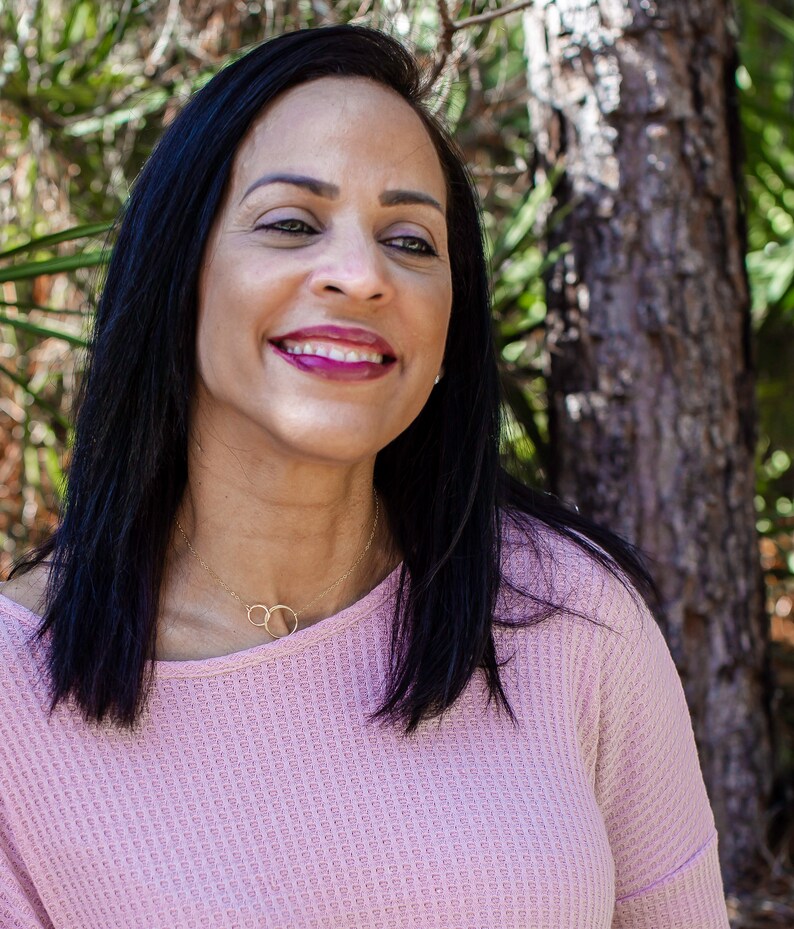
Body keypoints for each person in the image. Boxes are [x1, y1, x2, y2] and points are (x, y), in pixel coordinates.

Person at [0, 24, 730, 929]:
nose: (360, 276)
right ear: (175, 276)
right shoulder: (12, 704)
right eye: (292, 224)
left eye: (411, 241)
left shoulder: (572, 612)